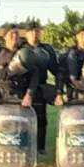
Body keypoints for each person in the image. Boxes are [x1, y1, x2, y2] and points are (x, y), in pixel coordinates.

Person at [0, 24, 40, 108]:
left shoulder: (25, 54)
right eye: (11, 33)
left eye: (17, 33)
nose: (15, 36)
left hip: (21, 100)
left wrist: (29, 95)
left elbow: (34, 76)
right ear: (4, 36)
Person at [21, 21, 57, 155]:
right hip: (23, 87)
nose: (34, 33)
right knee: (22, 119)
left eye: (37, 31)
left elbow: (56, 69)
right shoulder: (21, 48)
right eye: (31, 31)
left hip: (40, 86)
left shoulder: (46, 49)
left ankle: (40, 148)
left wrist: (59, 90)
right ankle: (23, 145)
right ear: (26, 34)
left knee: (40, 118)